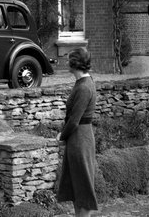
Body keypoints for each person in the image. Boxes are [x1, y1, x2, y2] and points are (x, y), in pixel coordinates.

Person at [56, 47, 98, 217]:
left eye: (69, 60)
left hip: (81, 139)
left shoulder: (84, 87)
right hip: (77, 139)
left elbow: (74, 120)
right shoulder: (81, 83)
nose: (67, 62)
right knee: (76, 186)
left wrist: (61, 135)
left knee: (83, 186)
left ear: (75, 63)